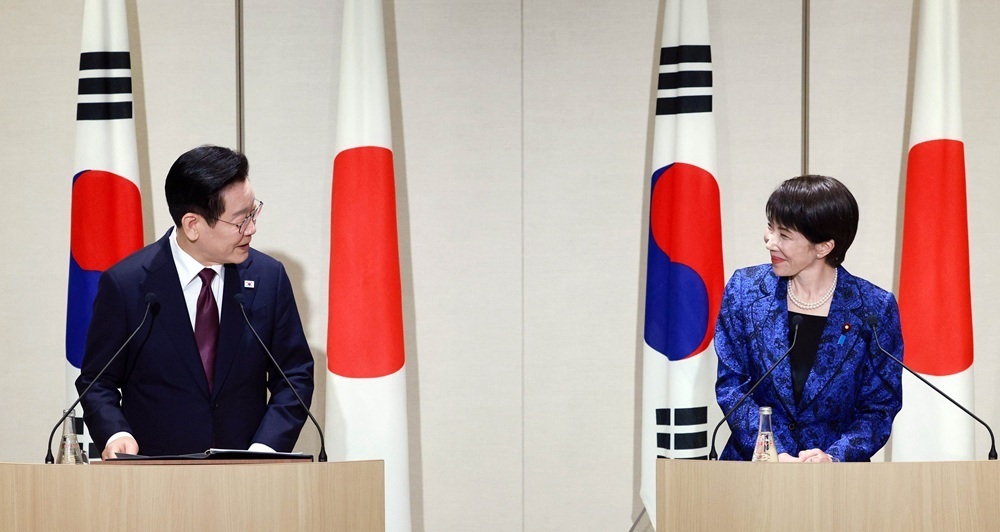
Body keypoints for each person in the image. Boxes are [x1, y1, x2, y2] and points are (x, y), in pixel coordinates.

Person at [76, 145, 314, 459]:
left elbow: (295, 375)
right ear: (193, 225)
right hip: (157, 473)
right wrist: (116, 433)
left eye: (253, 213)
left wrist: (265, 450)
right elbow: (97, 381)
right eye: (240, 221)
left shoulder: (269, 278)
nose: (252, 229)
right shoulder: (127, 284)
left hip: (248, 474)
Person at [714, 175, 903, 462]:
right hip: (753, 472)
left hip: (834, 481)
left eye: (784, 234)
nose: (770, 242)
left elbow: (879, 407)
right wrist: (771, 451)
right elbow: (732, 387)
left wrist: (833, 457)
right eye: (770, 227)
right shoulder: (745, 291)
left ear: (824, 247)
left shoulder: (874, 309)